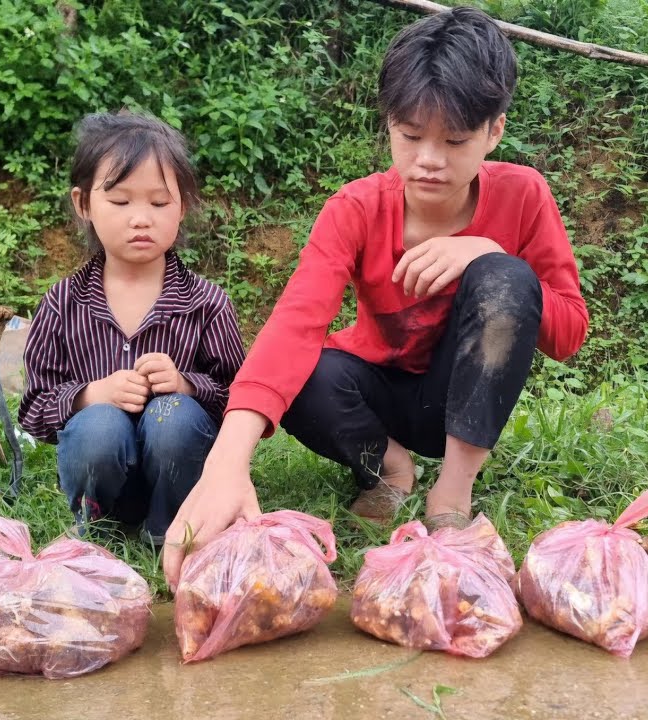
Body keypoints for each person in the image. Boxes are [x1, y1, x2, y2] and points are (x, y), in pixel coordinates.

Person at [162, 7, 588, 586]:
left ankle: (451, 495)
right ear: (389, 124)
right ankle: (390, 470)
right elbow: (295, 322)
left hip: (459, 398)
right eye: (410, 136)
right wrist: (225, 465)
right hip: (373, 395)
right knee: (304, 372)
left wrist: (484, 252)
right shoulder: (357, 207)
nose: (429, 160)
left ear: (495, 131)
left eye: (455, 140)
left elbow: (568, 332)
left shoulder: (523, 195)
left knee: (508, 277)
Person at [18, 112, 246, 546]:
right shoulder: (62, 303)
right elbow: (33, 412)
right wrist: (90, 395)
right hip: (102, 475)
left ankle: (171, 530)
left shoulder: (206, 303)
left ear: (183, 206)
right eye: (120, 202)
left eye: (159, 203)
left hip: (182, 480)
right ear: (83, 204)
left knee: (173, 418)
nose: (141, 219)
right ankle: (101, 527)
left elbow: (237, 397)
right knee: (99, 425)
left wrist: (185, 385)